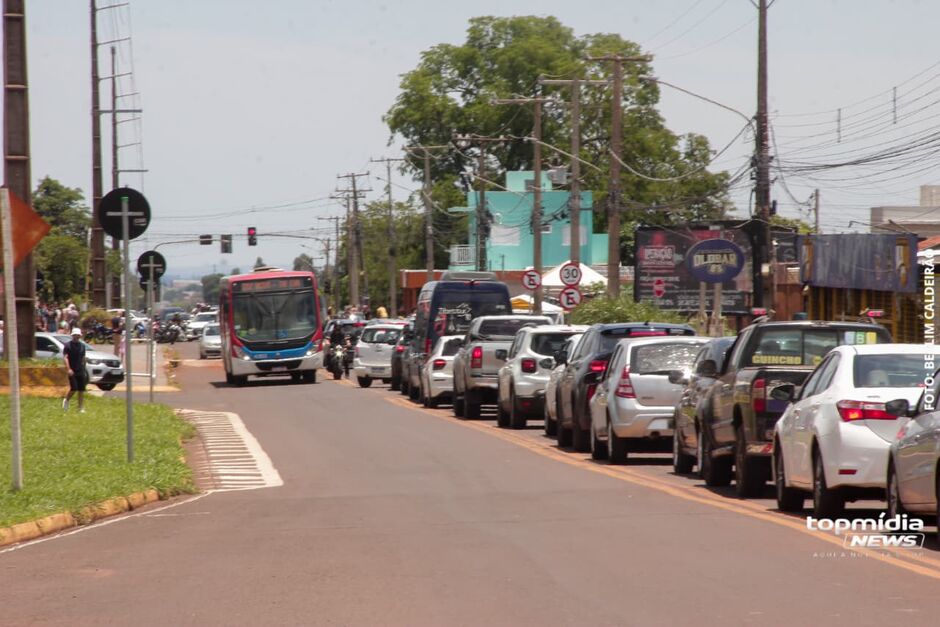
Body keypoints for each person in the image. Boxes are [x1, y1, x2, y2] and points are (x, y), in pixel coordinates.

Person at [62, 327, 88, 413]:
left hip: (80, 370)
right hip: (72, 370)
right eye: (75, 335)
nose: (76, 336)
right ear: (72, 335)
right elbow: (65, 358)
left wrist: (84, 369)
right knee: (74, 388)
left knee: (81, 390)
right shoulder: (68, 345)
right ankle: (66, 400)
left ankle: (80, 407)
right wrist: (68, 369)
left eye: (78, 335)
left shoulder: (82, 346)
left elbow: (83, 358)